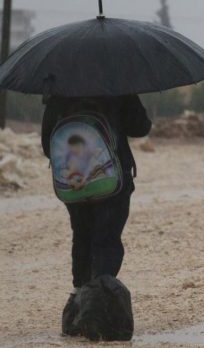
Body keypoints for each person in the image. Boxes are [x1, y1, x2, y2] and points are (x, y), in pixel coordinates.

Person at [41, 95, 151, 335]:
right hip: (113, 181)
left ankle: (79, 305)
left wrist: (80, 162)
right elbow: (141, 127)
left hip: (74, 182)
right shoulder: (118, 84)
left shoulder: (59, 90)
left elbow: (46, 144)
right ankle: (99, 309)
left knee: (82, 238)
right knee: (107, 239)